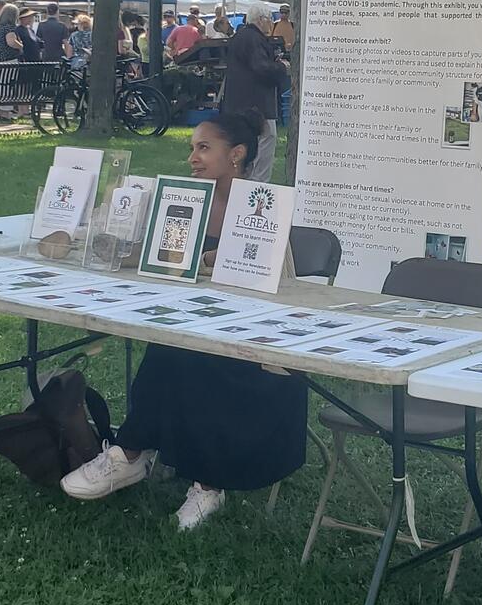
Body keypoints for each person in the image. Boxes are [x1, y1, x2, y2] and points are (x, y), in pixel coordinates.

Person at [59, 115, 307, 530]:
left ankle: (186, 474)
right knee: (173, 341)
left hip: (255, 341)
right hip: (187, 325)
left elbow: (271, 285)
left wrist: (212, 263)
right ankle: (131, 453)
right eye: (192, 148)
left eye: (203, 148)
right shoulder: (186, 201)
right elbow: (157, 262)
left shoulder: (262, 207)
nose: (192, 157)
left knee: (188, 350)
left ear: (237, 155)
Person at [222, 10, 289, 181]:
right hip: (257, 103)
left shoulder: (240, 36)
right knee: (267, 138)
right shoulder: (254, 39)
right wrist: (281, 67)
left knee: (249, 143)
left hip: (239, 101)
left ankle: (245, 179)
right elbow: (261, 68)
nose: (271, 24)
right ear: (261, 20)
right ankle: (258, 183)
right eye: (270, 20)